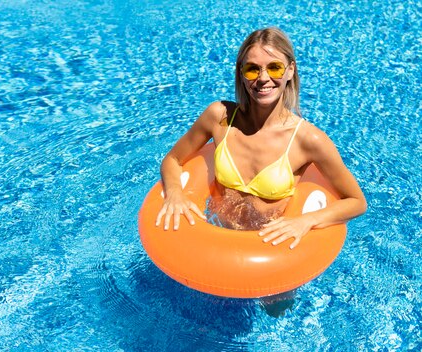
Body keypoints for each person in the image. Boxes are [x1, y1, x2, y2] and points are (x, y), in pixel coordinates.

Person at [154, 27, 367, 316]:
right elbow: (172, 160)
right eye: (252, 69)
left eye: (274, 67)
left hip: (271, 252)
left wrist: (307, 220)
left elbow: (356, 202)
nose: (263, 79)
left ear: (291, 70)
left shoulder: (308, 140)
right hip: (216, 236)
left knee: (277, 314)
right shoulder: (219, 117)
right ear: (241, 73)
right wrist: (175, 194)